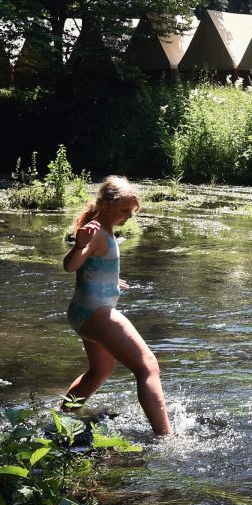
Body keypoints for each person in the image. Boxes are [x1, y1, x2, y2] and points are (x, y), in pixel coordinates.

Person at [63, 176, 172, 435]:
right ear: (106, 205)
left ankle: (61, 418)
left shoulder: (103, 229)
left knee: (100, 370)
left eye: (132, 211)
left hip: (85, 310)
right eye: (125, 210)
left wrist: (111, 281)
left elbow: (91, 267)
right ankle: (166, 437)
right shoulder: (96, 232)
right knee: (147, 367)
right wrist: (78, 245)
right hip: (96, 313)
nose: (129, 216)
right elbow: (71, 265)